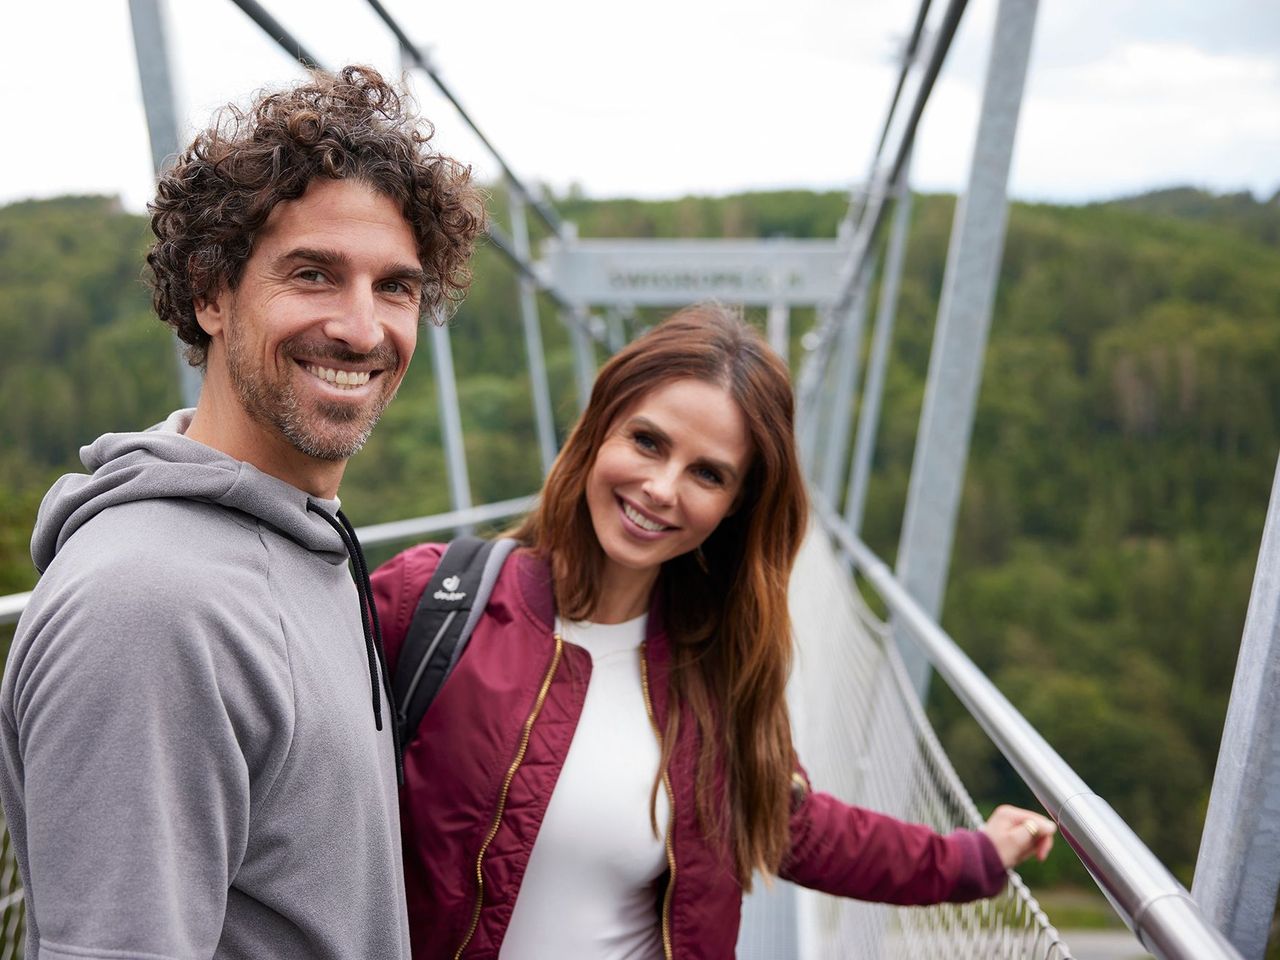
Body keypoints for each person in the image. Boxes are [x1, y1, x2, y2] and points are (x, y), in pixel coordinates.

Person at [372, 303, 1057, 959]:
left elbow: (793, 827)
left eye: (707, 473)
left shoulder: (718, 674)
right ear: (598, 431)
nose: (662, 489)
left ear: (735, 507)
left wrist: (971, 859)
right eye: (647, 441)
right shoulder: (430, 603)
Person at [0, 65, 484, 959]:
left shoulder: (305, 543)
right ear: (210, 292)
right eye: (313, 274)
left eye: (396, 287)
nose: (362, 328)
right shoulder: (151, 609)